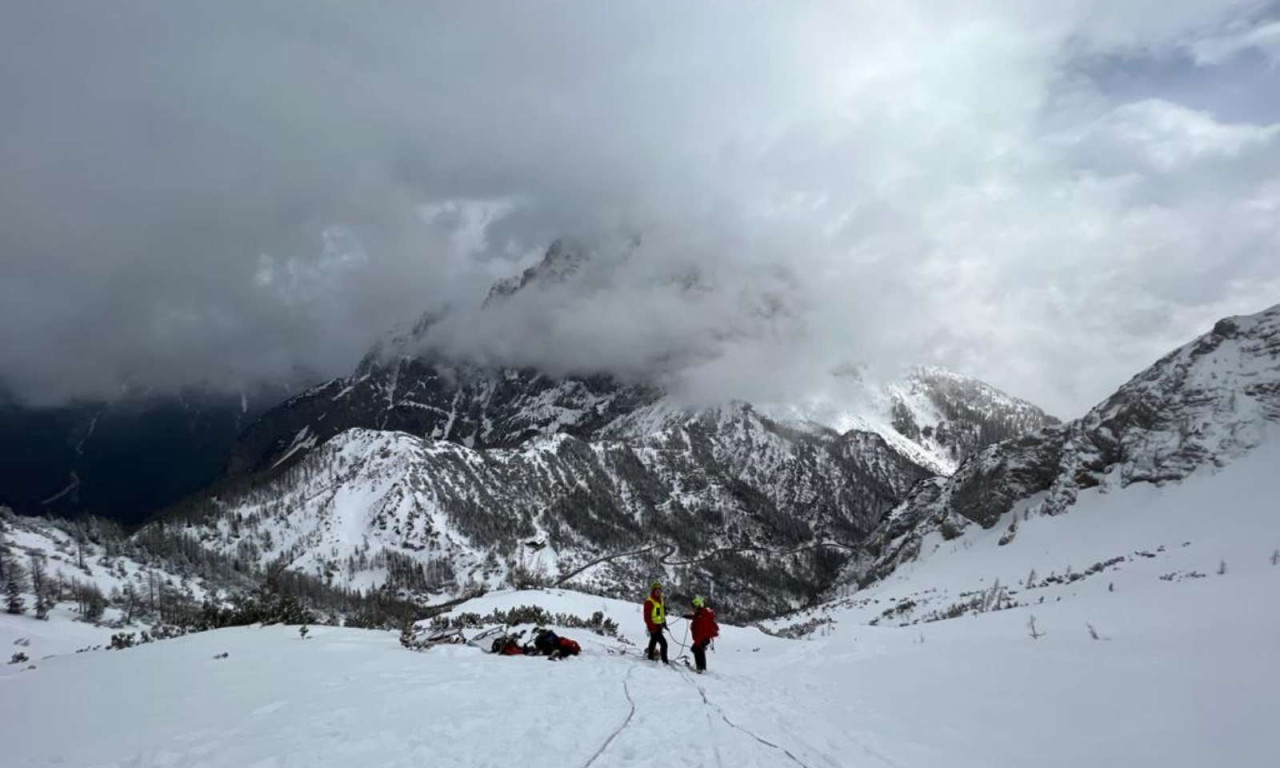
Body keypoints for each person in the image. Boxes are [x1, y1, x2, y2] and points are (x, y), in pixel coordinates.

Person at [683, 596, 719, 673]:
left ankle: (700, 668)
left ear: (698, 606)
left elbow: (703, 631)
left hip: (703, 638)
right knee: (698, 650)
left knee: (696, 649)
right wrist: (688, 616)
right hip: (703, 638)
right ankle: (702, 668)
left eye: (694, 607)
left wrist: (697, 642)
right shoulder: (701, 614)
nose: (693, 609)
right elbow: (696, 617)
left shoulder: (703, 616)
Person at [643, 581, 668, 664]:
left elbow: (661, 613)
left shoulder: (660, 600)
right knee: (664, 644)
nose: (659, 592)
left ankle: (650, 657)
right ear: (653, 591)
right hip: (654, 627)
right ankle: (664, 661)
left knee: (653, 641)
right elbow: (647, 617)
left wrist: (664, 622)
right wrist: (652, 628)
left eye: (660, 590)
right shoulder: (649, 602)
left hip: (659, 625)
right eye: (657, 591)